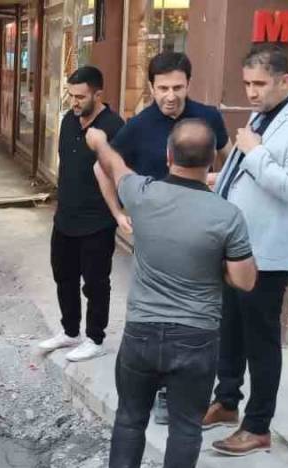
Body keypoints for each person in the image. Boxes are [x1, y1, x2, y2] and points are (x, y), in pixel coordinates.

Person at [85, 120, 256, 468]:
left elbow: (113, 164)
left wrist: (100, 140)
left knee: (131, 415)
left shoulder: (142, 194)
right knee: (185, 424)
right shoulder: (227, 215)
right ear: (213, 160)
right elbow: (245, 281)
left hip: (143, 330)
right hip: (197, 337)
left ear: (168, 156)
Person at [95, 51, 231, 425]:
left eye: (178, 87)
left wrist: (223, 187)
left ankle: (187, 389)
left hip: (202, 230)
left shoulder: (208, 117)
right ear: (152, 88)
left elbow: (227, 159)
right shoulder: (139, 126)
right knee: (153, 311)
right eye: (163, 88)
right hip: (154, 235)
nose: (170, 96)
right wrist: (118, 214)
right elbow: (102, 167)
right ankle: (156, 389)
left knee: (201, 310)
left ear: (189, 84)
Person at [205, 45, 288, 456]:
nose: (251, 92)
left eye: (260, 84)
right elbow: (249, 173)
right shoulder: (261, 116)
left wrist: (254, 152)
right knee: (231, 329)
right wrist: (219, 179)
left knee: (260, 340)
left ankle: (257, 426)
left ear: (284, 81)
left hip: (267, 251)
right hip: (237, 245)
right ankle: (226, 401)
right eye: (247, 84)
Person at [37, 66, 125, 363]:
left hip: (97, 222)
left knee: (96, 282)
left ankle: (95, 337)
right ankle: (70, 330)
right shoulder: (68, 120)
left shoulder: (114, 127)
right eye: (71, 95)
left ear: (98, 94)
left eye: (81, 97)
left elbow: (118, 174)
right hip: (65, 218)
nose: (74, 102)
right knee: (64, 276)